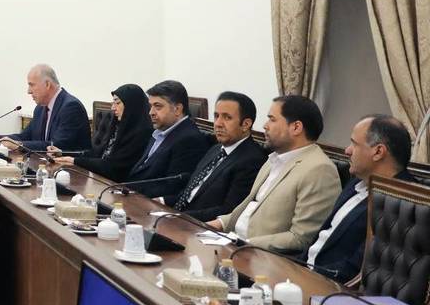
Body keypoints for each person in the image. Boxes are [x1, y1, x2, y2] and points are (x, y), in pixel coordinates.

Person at [209, 95, 340, 254]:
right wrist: (217, 224)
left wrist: (243, 244)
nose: (265, 125)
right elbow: (248, 207)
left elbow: (301, 238)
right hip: (233, 244)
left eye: (272, 119)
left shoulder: (320, 170)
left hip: (259, 255)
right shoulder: (274, 159)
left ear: (296, 127)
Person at [307, 114, 416, 282]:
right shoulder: (356, 181)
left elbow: (357, 269)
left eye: (354, 144)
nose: (347, 150)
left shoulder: (403, 203)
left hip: (330, 285)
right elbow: (321, 240)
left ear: (378, 152)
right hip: (304, 271)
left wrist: (305, 278)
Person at [169, 91, 267, 221]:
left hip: (199, 226)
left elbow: (229, 211)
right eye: (216, 116)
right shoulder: (216, 149)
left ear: (245, 124)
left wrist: (178, 217)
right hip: (178, 217)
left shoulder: (252, 160)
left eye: (227, 117)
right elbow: (189, 194)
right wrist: (162, 201)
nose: (218, 123)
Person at [122, 80, 211, 200]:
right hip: (132, 196)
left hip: (148, 204)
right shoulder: (160, 131)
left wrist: (130, 193)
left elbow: (172, 188)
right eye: (151, 106)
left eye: (158, 106)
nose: (151, 113)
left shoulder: (189, 140)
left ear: (177, 109)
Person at [0, 64, 91, 152]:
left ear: (47, 84)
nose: (28, 91)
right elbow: (25, 137)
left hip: (73, 172)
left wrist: (19, 145)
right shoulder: (40, 108)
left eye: (32, 85)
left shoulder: (70, 107)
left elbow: (57, 146)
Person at [48, 84, 151, 181]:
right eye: (113, 103)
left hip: (118, 186)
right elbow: (96, 154)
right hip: (101, 179)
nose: (113, 108)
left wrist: (74, 161)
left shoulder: (141, 134)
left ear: (131, 105)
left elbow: (112, 167)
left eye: (117, 103)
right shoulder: (118, 126)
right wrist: (63, 153)